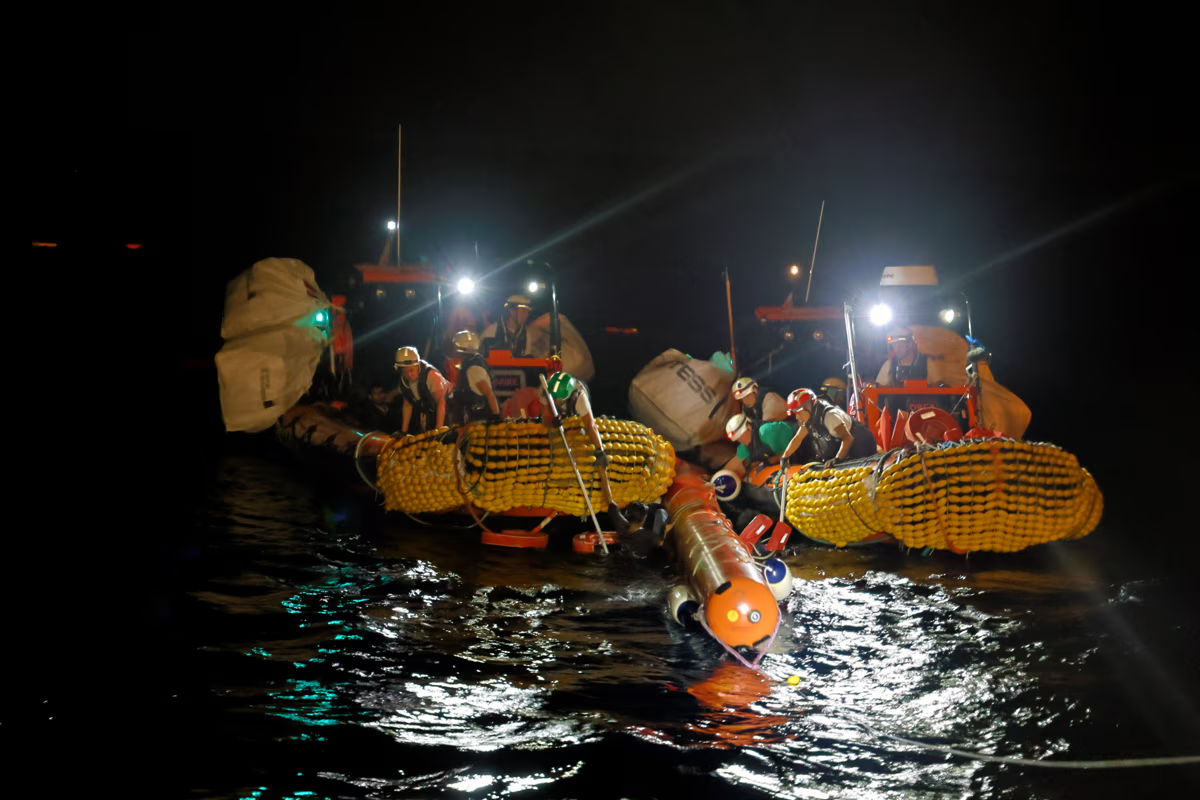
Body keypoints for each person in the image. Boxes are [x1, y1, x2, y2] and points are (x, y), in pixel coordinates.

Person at [542, 370, 626, 525]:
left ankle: (611, 504)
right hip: (562, 418)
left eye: (561, 399)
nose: (558, 402)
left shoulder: (579, 398)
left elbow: (590, 425)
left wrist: (600, 451)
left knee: (595, 458)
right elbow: (546, 415)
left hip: (578, 415)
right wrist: (553, 421)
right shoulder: (549, 388)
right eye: (556, 399)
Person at [780, 387, 877, 469]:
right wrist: (785, 456)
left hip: (860, 443)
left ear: (808, 407)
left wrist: (837, 459)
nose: (797, 417)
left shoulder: (829, 416)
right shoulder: (810, 417)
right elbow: (798, 438)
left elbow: (848, 438)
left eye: (798, 412)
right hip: (846, 446)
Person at [388, 346, 451, 434]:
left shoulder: (432, 376)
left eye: (411, 370)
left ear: (417, 365)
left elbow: (441, 403)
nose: (409, 375)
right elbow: (407, 405)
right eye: (405, 372)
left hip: (447, 413)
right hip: (428, 414)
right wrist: (404, 431)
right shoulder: (404, 380)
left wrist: (439, 430)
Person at [722, 412, 797, 478]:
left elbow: (790, 449)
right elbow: (733, 464)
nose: (741, 440)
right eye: (738, 438)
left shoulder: (766, 432)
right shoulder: (744, 447)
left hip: (799, 450)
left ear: (749, 427)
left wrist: (768, 462)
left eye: (742, 435)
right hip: (782, 465)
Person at [448, 329, 500, 423]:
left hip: (478, 424)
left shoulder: (473, 369)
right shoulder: (470, 365)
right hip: (472, 421)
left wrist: (495, 416)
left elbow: (489, 394)